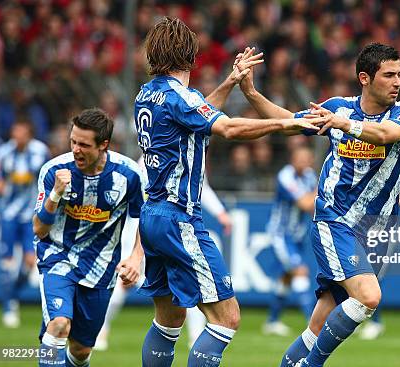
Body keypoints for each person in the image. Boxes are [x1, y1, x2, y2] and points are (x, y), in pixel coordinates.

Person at [134, 17, 324, 367]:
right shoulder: (180, 97)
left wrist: (231, 82)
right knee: (226, 318)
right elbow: (229, 128)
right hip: (179, 218)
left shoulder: (147, 95)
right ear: (191, 56)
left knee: (170, 318)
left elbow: (195, 114)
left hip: (152, 215)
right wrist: (285, 122)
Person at [236, 42, 400, 367]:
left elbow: (382, 135)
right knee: (369, 297)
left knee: (317, 326)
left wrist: (342, 124)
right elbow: (290, 122)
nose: (397, 82)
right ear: (365, 78)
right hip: (335, 221)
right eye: (389, 75)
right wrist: (251, 93)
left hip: (377, 230)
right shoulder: (340, 108)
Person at [33, 108, 146, 366]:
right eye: (73, 141)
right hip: (58, 258)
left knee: (82, 350)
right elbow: (39, 229)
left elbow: (144, 217)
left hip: (101, 268)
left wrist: (136, 257)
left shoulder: (127, 175)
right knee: (59, 325)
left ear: (103, 145)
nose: (75, 149)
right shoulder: (54, 171)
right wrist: (55, 195)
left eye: (84, 145)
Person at [94, 167, 232, 351]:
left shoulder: (179, 151)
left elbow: (200, 185)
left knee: (183, 283)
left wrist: (219, 212)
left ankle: (195, 336)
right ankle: (100, 330)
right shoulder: (157, 156)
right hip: (153, 224)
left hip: (155, 224)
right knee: (128, 280)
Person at [0, 117, 49, 328]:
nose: (18, 137)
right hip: (8, 215)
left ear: (29, 134)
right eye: (15, 133)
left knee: (28, 262)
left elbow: (48, 177)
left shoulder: (40, 151)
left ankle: (13, 293)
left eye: (22, 133)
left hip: (31, 217)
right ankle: (9, 307)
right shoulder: (4, 153)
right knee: (7, 264)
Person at [263, 146, 317, 336]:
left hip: (297, 235)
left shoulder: (310, 176)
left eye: (306, 158)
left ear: (311, 161)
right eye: (298, 157)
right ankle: (314, 323)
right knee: (300, 270)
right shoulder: (285, 176)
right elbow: (306, 203)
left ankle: (272, 321)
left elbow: (312, 206)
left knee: (286, 278)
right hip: (281, 234)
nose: (302, 161)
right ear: (291, 159)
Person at [358, 178, 400, 340]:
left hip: (384, 234)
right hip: (361, 231)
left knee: (374, 276)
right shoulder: (366, 174)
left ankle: (376, 323)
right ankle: (357, 320)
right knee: (354, 274)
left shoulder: (392, 176)